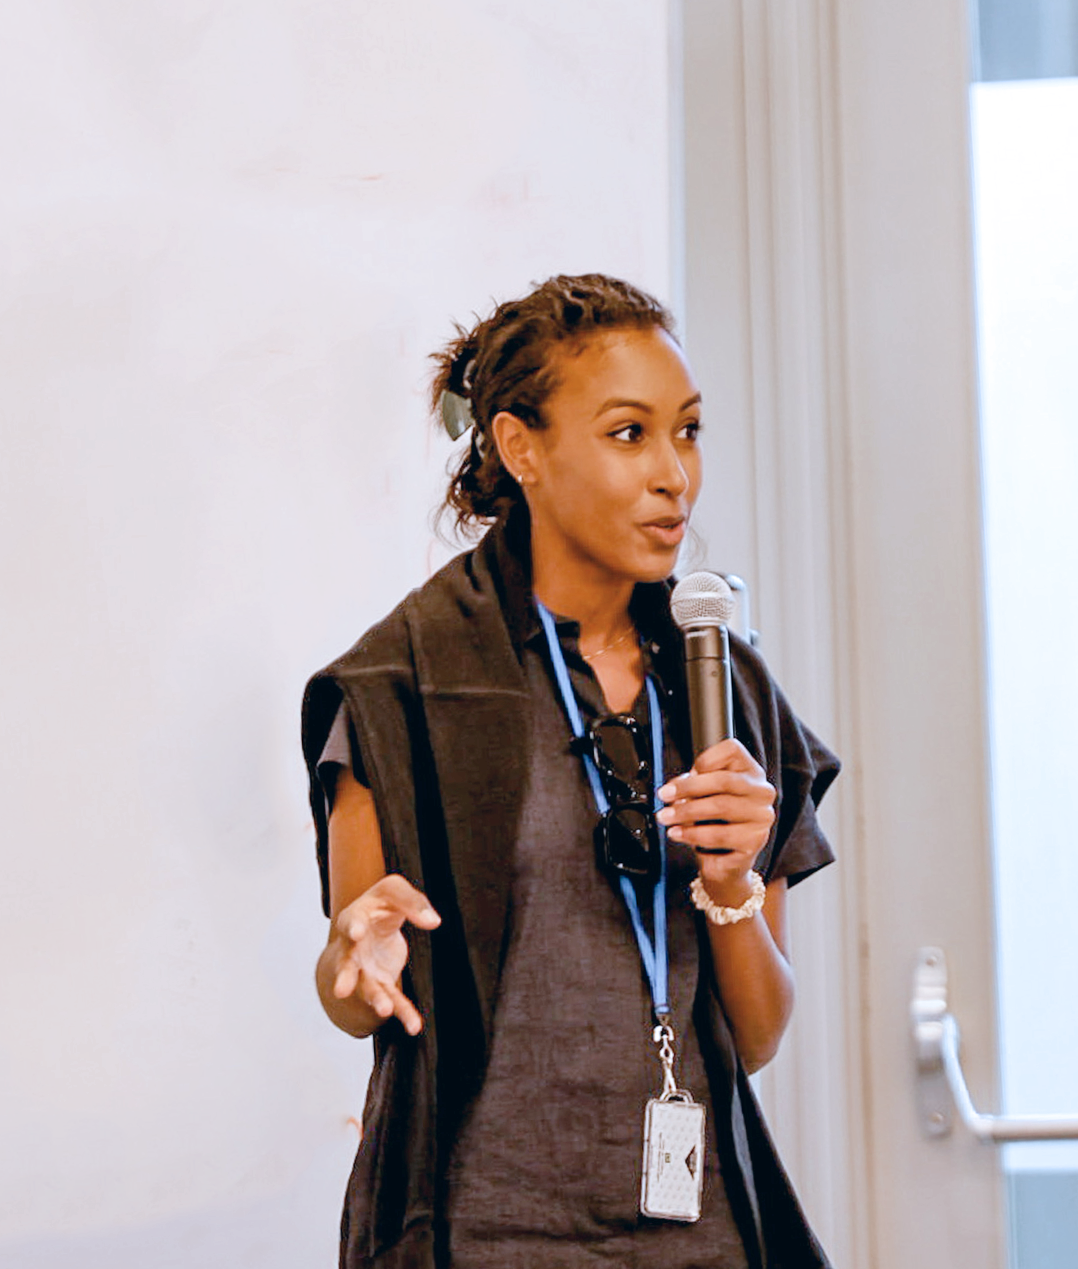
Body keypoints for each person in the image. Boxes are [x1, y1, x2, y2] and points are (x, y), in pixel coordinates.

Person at [301, 274, 841, 1269]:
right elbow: (357, 984)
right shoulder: (401, 685)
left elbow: (756, 1038)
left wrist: (728, 886)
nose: (673, 474)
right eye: (629, 434)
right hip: (486, 1235)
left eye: (687, 431)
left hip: (701, 1235)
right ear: (521, 448)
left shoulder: (726, 686)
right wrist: (348, 963)